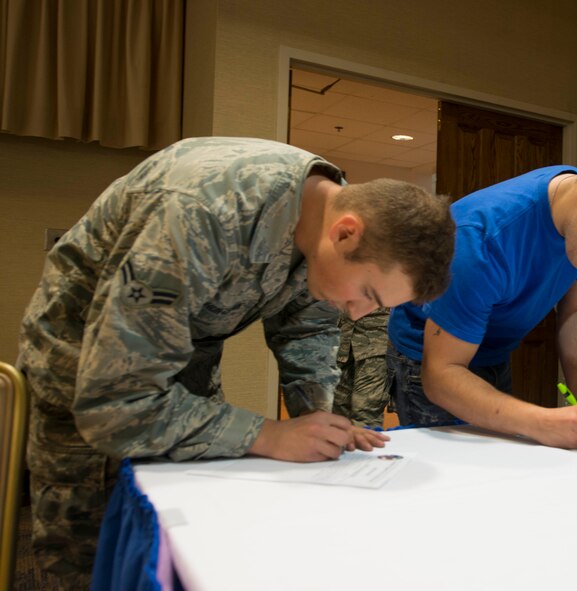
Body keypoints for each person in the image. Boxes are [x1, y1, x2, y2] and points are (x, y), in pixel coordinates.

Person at [17, 136, 455, 587]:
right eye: (367, 294)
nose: (359, 313)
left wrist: (321, 421)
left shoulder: (329, 223)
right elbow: (115, 403)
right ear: (346, 232)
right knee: (92, 558)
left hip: (181, 376)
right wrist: (268, 435)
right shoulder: (199, 212)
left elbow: (307, 330)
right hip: (88, 379)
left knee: (183, 541)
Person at [386, 151, 577, 450]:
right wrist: (540, 422)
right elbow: (441, 376)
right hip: (428, 359)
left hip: (492, 352)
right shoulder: (479, 240)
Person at [333, 307, 391, 428]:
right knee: (337, 410)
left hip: (376, 343)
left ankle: (365, 446)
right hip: (342, 342)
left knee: (366, 413)